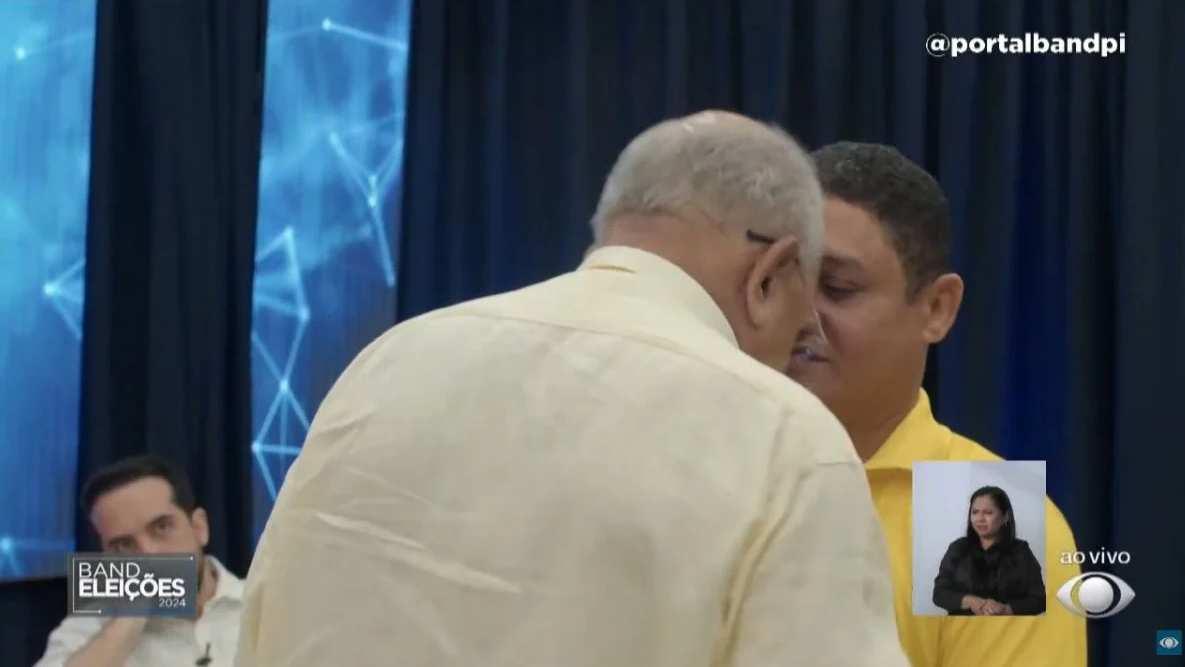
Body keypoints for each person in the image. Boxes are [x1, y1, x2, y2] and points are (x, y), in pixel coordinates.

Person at [236, 111, 908, 666]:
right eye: (809, 305)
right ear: (768, 275)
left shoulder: (386, 361)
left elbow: (265, 620)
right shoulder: (784, 439)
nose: (802, 348)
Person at [787, 142, 1085, 666]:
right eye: (778, 281)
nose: (798, 314)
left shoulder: (979, 512)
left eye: (837, 287)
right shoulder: (700, 469)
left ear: (936, 309)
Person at [36, 455, 244, 667]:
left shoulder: (258, 602)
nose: (148, 555)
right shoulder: (89, 628)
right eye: (123, 545)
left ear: (200, 528)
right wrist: (127, 621)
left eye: (162, 527)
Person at [932, 486, 1046, 616]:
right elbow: (939, 593)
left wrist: (1006, 609)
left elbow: (1040, 599)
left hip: (1007, 626)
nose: (980, 518)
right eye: (975, 512)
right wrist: (972, 601)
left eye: (988, 513)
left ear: (1005, 517)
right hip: (962, 626)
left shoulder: (1021, 551)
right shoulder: (958, 548)